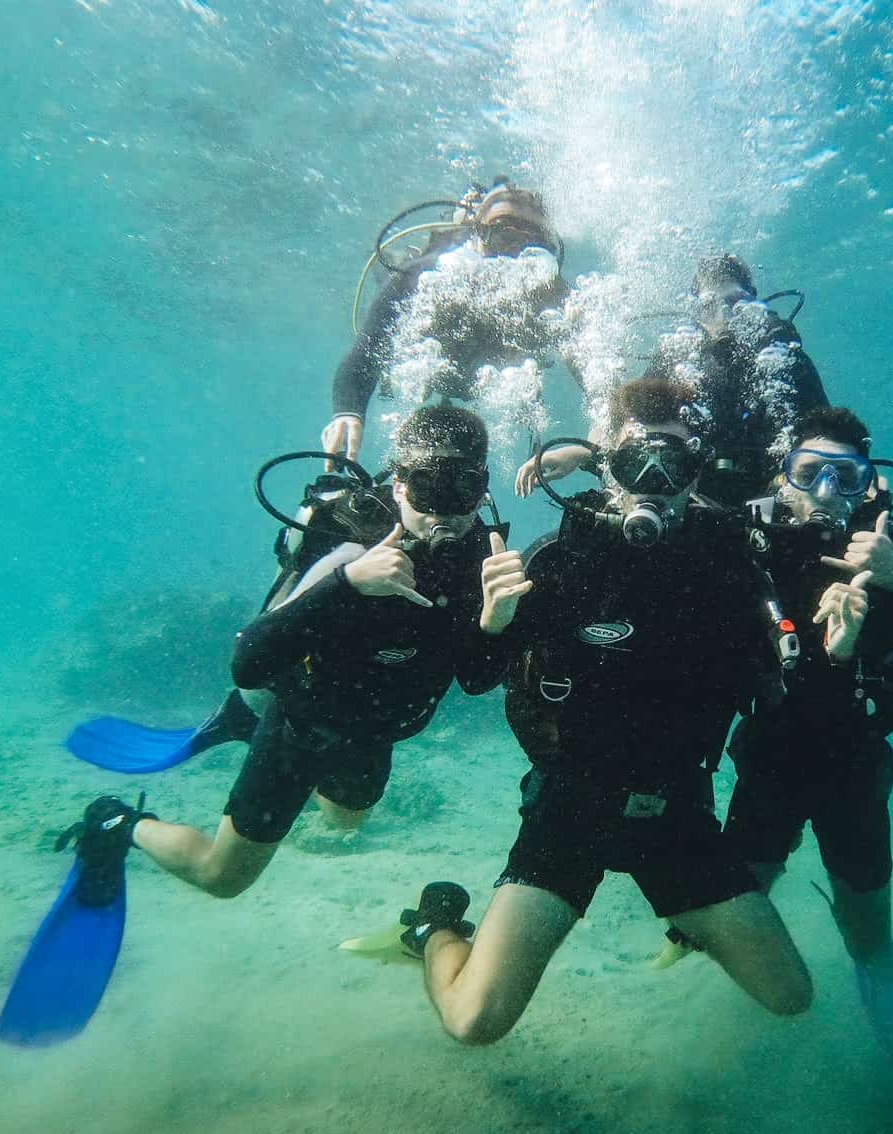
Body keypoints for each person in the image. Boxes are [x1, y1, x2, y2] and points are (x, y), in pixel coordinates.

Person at [389, 378, 814, 1045]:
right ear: (607, 468)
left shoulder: (729, 568)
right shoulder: (560, 563)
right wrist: (494, 622)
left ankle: (690, 919)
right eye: (631, 463)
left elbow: (779, 699)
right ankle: (434, 925)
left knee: (791, 995)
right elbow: (475, 678)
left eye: (670, 465)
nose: (652, 481)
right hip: (570, 808)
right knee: (475, 1021)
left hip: (676, 813)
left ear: (694, 474)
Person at [59, 406, 515, 899]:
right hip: (304, 725)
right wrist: (348, 582)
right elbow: (248, 663)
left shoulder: (483, 559)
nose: (444, 512)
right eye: (429, 488)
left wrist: (496, 623)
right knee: (223, 878)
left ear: (483, 489)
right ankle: (119, 822)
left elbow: (475, 680)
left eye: (463, 489)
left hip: (377, 731)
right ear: (400, 485)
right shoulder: (349, 545)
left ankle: (243, 723)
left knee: (347, 821)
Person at [689, 405, 893, 1072]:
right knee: (737, 907)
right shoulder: (749, 557)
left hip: (854, 774)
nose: (827, 491)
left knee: (867, 938)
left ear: (872, 487)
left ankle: (884, 992)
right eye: (810, 472)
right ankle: (713, 1020)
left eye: (846, 477)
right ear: (783, 478)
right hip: (766, 765)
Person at [517, 252, 826, 508]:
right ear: (695, 311)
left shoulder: (783, 358)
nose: (723, 315)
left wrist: (851, 475)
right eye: (708, 306)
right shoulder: (678, 356)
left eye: (735, 304)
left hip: (772, 502)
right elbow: (632, 421)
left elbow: (825, 434)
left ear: (754, 305)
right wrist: (583, 451)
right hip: (687, 501)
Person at [324, 181, 569, 463]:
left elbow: (593, 370)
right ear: (477, 235)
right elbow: (367, 349)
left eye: (533, 241)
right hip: (432, 367)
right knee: (393, 276)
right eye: (503, 234)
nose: (515, 254)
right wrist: (348, 411)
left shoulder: (554, 291)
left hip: (481, 374)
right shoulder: (424, 275)